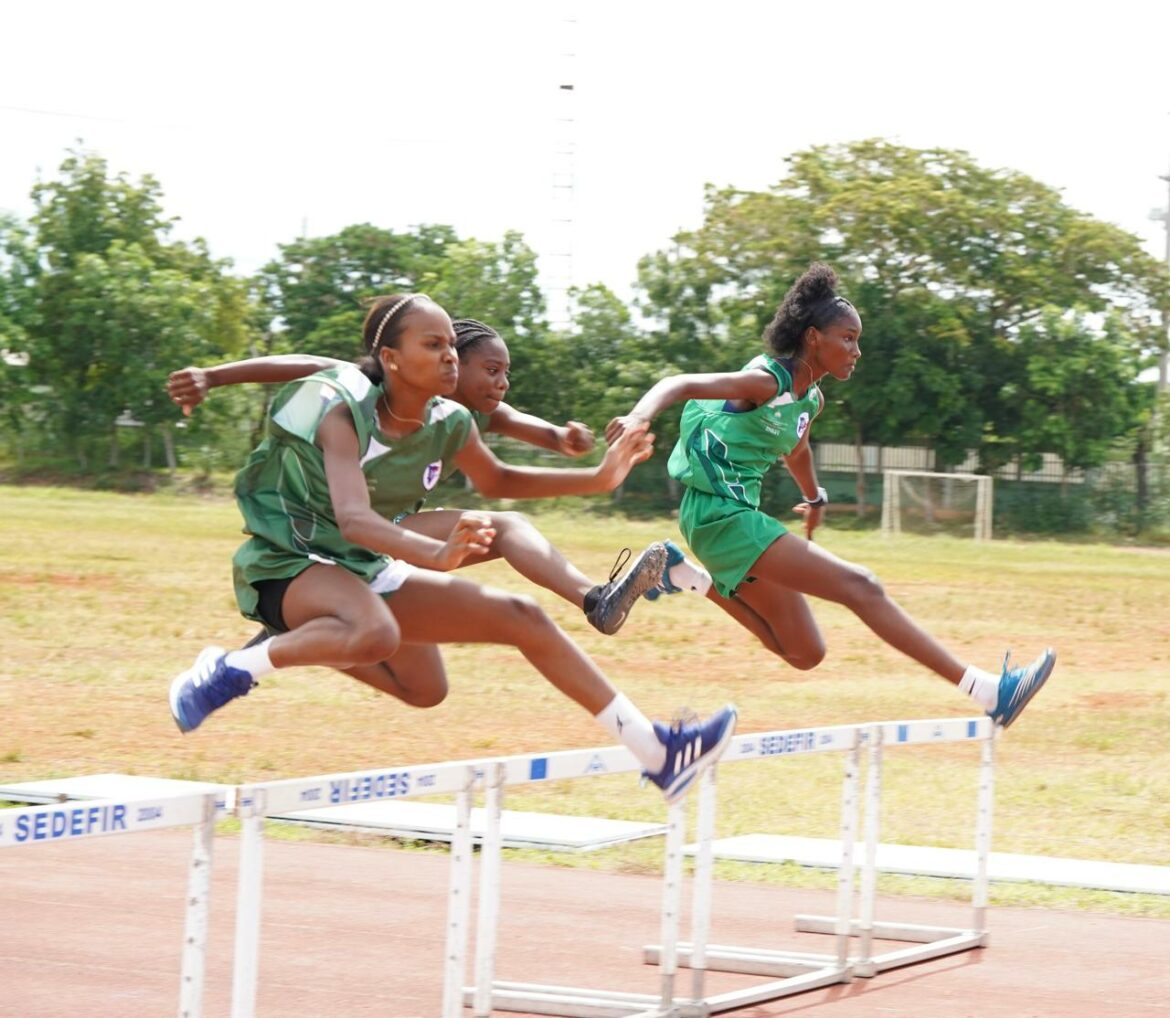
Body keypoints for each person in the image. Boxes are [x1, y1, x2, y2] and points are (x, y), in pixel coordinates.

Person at [168, 293, 737, 804]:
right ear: (390, 358)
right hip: (289, 557)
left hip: (360, 562)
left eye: (451, 348)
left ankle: (658, 753)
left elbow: (499, 482)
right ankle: (231, 669)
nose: (450, 358)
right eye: (433, 344)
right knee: (377, 634)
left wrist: (600, 478)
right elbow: (354, 516)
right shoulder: (343, 403)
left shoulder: (451, 419)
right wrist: (214, 377)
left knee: (453, 666)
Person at [607, 264, 1054, 730]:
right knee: (862, 586)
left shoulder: (809, 399)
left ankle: (681, 572)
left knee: (805, 652)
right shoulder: (767, 382)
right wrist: (638, 416)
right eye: (848, 338)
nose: (856, 351)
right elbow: (679, 384)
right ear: (814, 337)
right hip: (720, 515)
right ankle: (988, 692)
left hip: (732, 519)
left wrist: (814, 497)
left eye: (858, 341)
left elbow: (796, 448)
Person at [167, 317, 708, 635]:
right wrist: (212, 376)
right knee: (501, 525)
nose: (501, 383)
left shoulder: (468, 414)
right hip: (327, 533)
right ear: (450, 364)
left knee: (507, 526)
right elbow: (300, 364)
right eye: (490, 370)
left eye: (507, 373)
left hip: (394, 530)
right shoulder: (377, 385)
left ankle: (597, 599)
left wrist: (561, 439)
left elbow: (518, 428)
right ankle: (274, 635)